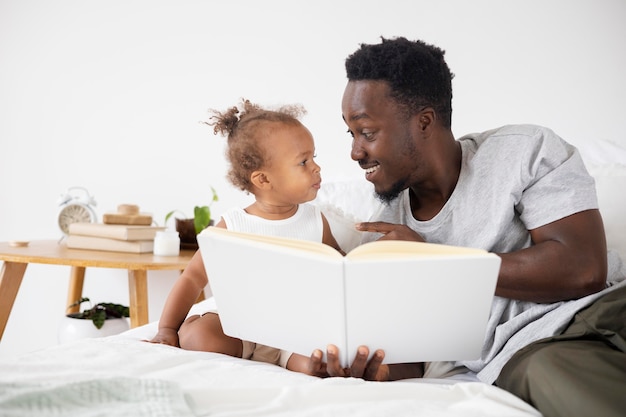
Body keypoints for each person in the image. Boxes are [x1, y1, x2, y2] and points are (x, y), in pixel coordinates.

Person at [310, 37, 626, 417]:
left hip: (609, 307)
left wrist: (435, 261)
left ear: (424, 122)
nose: (355, 152)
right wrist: (368, 369)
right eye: (351, 134)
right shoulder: (382, 233)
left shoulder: (523, 150)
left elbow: (583, 269)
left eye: (367, 132)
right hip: (533, 353)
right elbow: (410, 357)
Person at [149, 99, 341, 376]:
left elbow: (339, 268)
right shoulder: (234, 225)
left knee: (318, 364)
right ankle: (190, 327)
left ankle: (297, 360)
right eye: (303, 161)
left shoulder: (314, 220)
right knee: (200, 338)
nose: (317, 167)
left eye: (314, 157)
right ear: (263, 180)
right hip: (242, 331)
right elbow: (192, 278)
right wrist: (166, 329)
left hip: (296, 333)